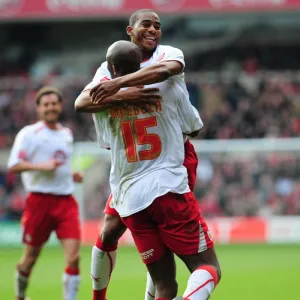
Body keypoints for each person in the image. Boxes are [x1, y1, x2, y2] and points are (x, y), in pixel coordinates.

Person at [75, 8, 215, 300]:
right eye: (146, 24)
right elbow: (194, 127)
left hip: (136, 181)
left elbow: (89, 100)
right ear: (130, 30)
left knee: (159, 274)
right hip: (154, 174)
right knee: (203, 267)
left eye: (158, 26)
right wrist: (124, 91)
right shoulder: (113, 71)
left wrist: (116, 86)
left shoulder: (164, 56)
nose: (153, 30)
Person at [8, 87, 83, 300]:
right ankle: (20, 296)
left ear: (60, 106)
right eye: (46, 104)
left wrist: (72, 175)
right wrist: (42, 166)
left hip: (66, 201)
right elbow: (13, 165)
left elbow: (60, 166)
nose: (51, 107)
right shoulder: (29, 134)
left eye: (54, 103)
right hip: (39, 201)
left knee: (74, 257)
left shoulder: (66, 133)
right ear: (39, 108)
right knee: (30, 258)